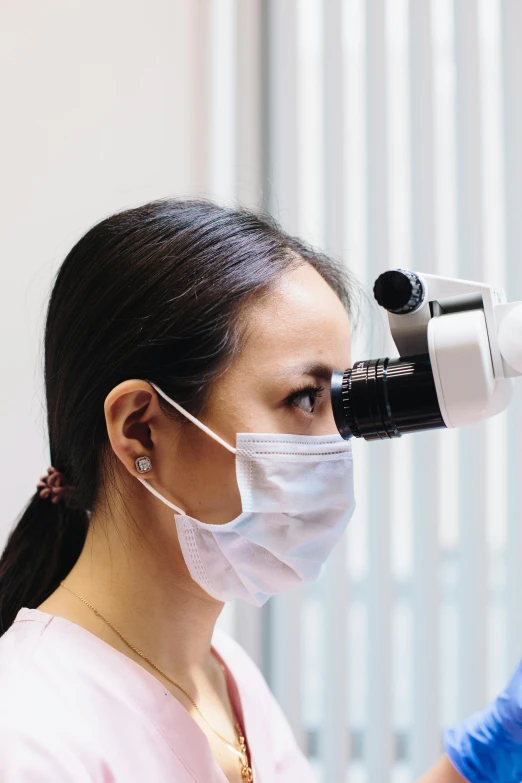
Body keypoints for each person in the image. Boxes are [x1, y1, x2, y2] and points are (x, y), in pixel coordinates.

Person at [0, 199, 519, 783]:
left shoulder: (222, 675)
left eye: (337, 404)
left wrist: (483, 757)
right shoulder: (29, 733)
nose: (335, 447)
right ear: (140, 427)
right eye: (304, 399)